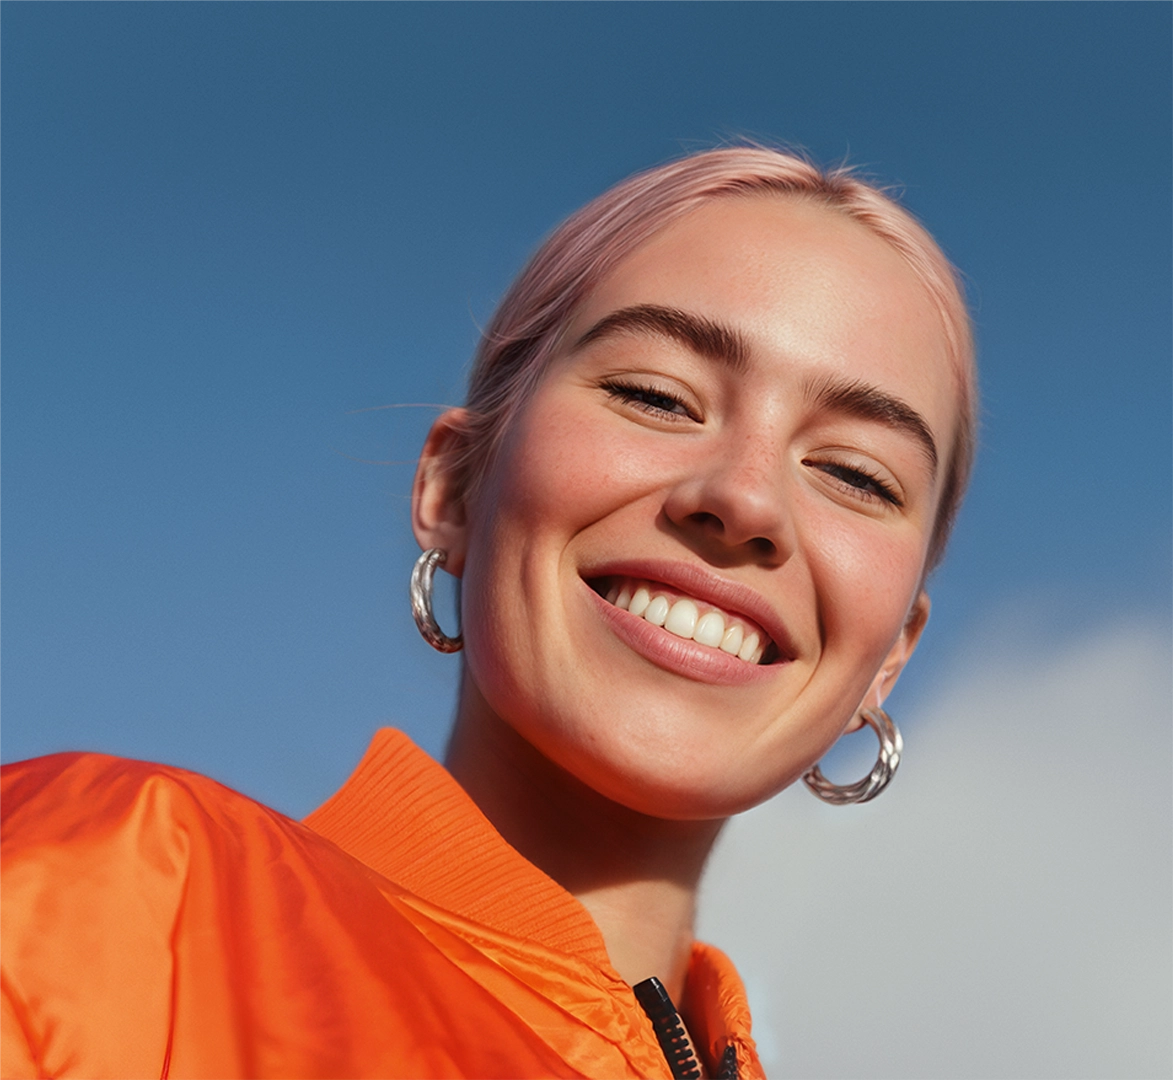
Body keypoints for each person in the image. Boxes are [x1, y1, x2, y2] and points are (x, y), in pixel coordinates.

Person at [0, 146, 975, 1079]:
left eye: (855, 473)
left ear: (891, 657)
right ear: (454, 488)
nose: (745, 500)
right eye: (656, 396)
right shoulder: (125, 894)